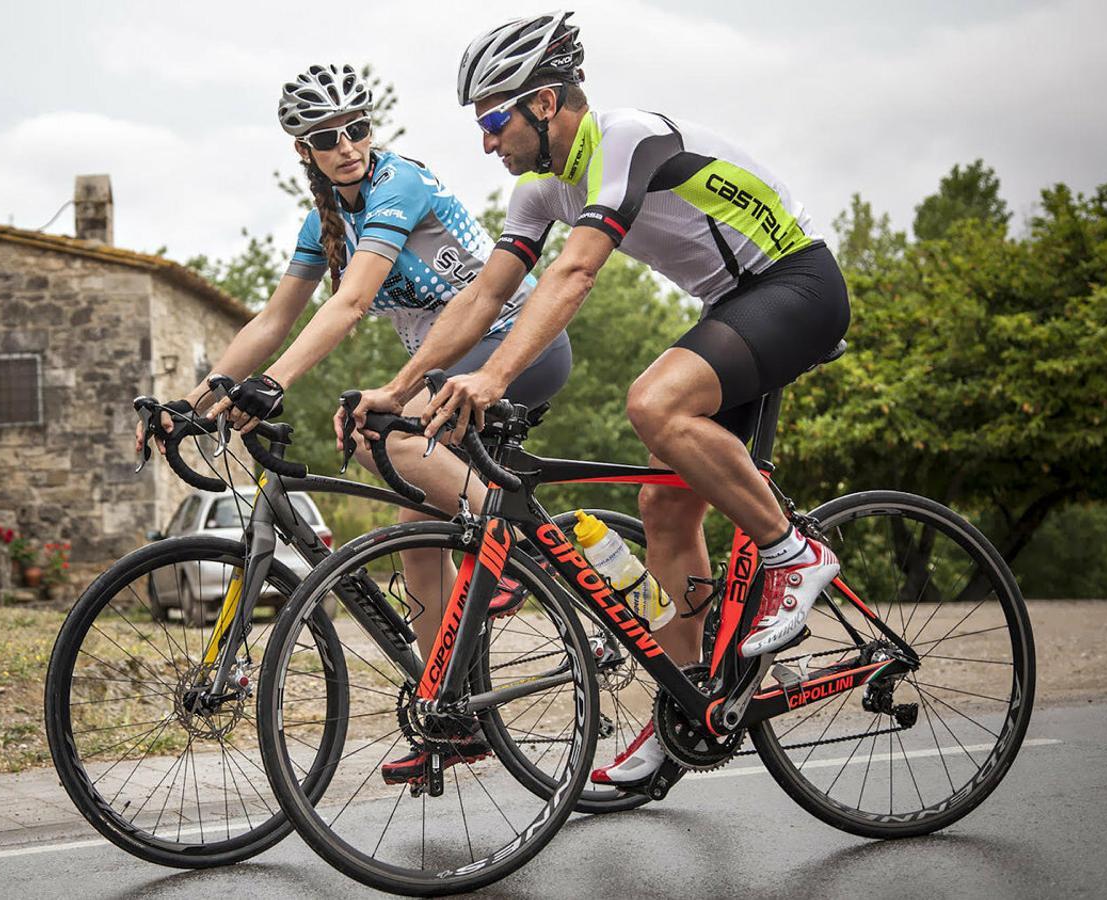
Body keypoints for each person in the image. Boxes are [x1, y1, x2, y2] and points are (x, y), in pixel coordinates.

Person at [344, 11, 850, 793]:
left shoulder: (627, 137)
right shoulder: (540, 189)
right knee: (664, 511)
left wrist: (495, 377)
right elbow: (484, 295)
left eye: (493, 120)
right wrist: (401, 386)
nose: (486, 142)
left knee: (654, 402)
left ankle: (794, 551)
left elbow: (575, 275)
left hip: (796, 285)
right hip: (733, 305)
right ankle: (685, 709)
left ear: (544, 103)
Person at [134, 63, 574, 782]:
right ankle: (452, 714)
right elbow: (275, 317)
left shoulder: (399, 183)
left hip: (516, 342)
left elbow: (345, 305)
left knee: (374, 432)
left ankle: (505, 547)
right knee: (415, 534)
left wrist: (275, 382)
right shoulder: (325, 220)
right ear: (303, 150)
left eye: (357, 129)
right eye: (326, 137)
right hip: (445, 362)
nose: (347, 146)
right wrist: (193, 401)